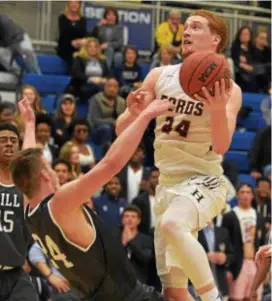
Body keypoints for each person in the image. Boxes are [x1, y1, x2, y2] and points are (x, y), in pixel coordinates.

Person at [116, 9, 242, 301]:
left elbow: (222, 146)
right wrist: (135, 113)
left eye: (196, 27)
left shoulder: (229, 90)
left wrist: (215, 109)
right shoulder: (159, 76)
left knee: (173, 224)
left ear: (215, 40)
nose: (186, 31)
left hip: (204, 179)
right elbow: (122, 128)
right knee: (173, 292)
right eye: (185, 27)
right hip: (167, 184)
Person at [10, 96, 172, 301]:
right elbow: (110, 165)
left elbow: (27, 163)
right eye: (49, 167)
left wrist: (30, 123)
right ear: (43, 175)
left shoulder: (29, 211)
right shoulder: (61, 202)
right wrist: (146, 116)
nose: (52, 171)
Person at [0, 101, 39, 300]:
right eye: (3, 140)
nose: (9, 143)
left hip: (15, 273)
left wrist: (30, 124)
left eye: (13, 140)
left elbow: (30, 163)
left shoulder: (23, 186)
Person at [222, 183, 265, 301]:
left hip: (255, 264)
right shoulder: (230, 216)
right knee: (237, 297)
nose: (245, 195)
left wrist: (265, 269)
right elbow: (224, 243)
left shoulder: (259, 216)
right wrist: (228, 268)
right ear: (237, 195)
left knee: (254, 297)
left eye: (248, 192)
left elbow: (263, 243)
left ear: (252, 195)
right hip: (238, 263)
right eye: (242, 192)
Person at [121, 205, 154, 285]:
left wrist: (131, 242)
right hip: (118, 281)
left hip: (139, 282)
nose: (130, 219)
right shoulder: (114, 236)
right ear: (122, 220)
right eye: (127, 216)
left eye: (133, 217)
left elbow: (146, 258)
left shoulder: (146, 239)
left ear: (139, 221)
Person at [88, 77, 126, 146]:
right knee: (106, 128)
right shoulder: (96, 99)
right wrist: (112, 122)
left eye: (115, 87)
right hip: (98, 130)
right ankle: (106, 151)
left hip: (116, 130)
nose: (112, 89)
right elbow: (94, 120)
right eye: (109, 86)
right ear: (104, 87)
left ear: (118, 89)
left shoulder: (122, 102)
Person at [57, 0, 87, 72]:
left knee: (84, 55)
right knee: (75, 56)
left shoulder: (83, 20)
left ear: (79, 5)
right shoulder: (62, 18)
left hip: (79, 47)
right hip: (65, 46)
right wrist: (74, 42)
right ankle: (73, 78)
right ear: (68, 4)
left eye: (76, 2)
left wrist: (80, 41)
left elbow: (84, 35)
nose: (74, 5)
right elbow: (64, 34)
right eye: (72, 2)